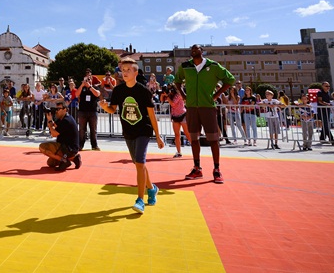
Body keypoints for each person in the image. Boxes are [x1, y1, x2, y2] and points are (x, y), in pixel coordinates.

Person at [99, 57, 164, 212]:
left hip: (144, 130)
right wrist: (104, 106)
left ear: (135, 72)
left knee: (140, 163)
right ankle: (152, 188)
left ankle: (140, 200)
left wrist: (158, 135)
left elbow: (151, 115)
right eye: (123, 70)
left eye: (128, 70)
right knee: (138, 164)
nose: (125, 72)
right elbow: (113, 109)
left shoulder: (143, 91)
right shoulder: (118, 90)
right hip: (128, 131)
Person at [176, 44, 234, 184]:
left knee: (213, 139)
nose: (194, 50)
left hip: (207, 107)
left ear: (202, 51)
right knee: (194, 138)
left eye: (197, 48)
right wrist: (183, 95)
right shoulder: (185, 66)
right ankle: (197, 168)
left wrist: (216, 95)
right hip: (191, 107)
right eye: (192, 49)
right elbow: (177, 80)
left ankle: (217, 169)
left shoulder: (213, 66)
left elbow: (230, 79)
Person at [38, 100, 80, 171]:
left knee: (42, 147)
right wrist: (50, 120)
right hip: (68, 148)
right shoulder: (63, 118)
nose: (56, 111)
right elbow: (54, 127)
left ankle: (64, 161)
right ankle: (74, 158)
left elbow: (54, 134)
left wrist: (50, 122)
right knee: (50, 163)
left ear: (65, 109)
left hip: (68, 149)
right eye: (55, 109)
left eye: (58, 109)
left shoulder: (66, 120)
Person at [76, 70, 102, 151]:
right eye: (87, 79)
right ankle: (80, 145)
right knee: (82, 130)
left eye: (89, 79)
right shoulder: (82, 87)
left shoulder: (94, 87)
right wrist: (82, 84)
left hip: (93, 111)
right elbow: (76, 94)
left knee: (93, 130)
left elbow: (97, 94)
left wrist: (90, 86)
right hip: (82, 111)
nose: (88, 81)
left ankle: (94, 145)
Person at [167, 84, 190, 158]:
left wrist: (168, 97)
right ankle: (179, 152)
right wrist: (164, 94)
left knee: (187, 133)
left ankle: (195, 150)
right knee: (177, 135)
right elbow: (162, 100)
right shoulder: (171, 95)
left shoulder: (179, 94)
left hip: (182, 115)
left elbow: (173, 104)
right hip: (175, 116)